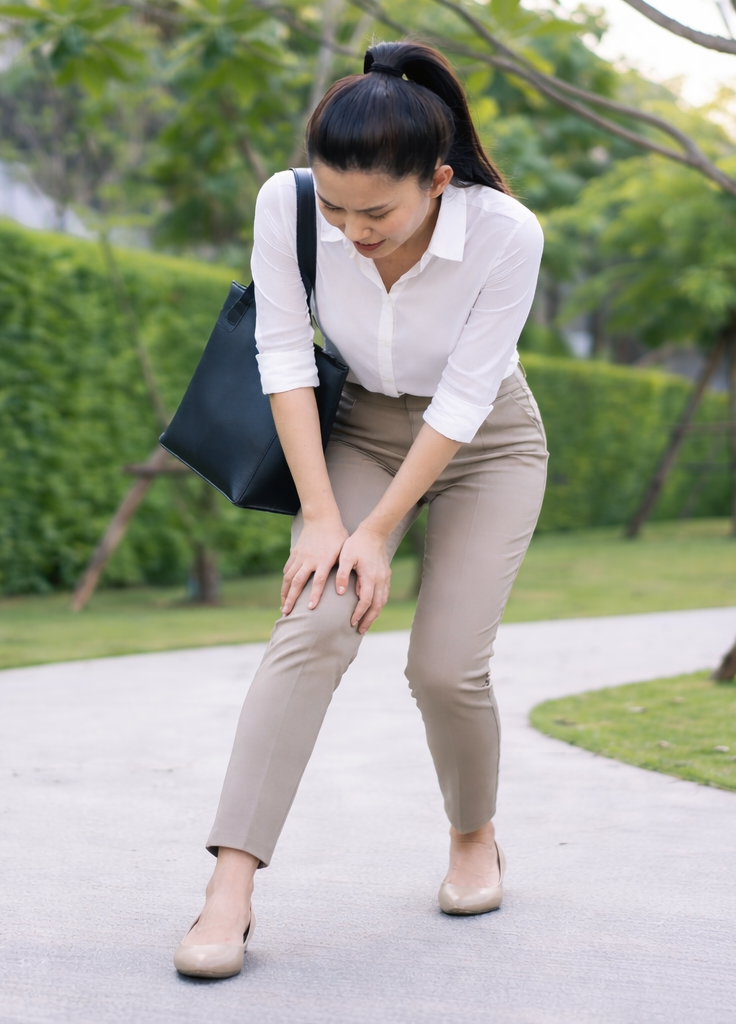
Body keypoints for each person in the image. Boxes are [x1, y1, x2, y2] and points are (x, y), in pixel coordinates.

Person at [173, 41, 548, 979]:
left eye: (376, 211)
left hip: (485, 441)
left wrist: (378, 531)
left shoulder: (505, 234)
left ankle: (474, 837)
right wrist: (323, 517)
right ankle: (229, 890)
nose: (349, 229)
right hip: (357, 429)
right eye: (334, 205)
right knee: (313, 622)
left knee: (447, 668)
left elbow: (467, 398)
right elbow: (283, 355)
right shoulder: (285, 204)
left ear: (439, 181)